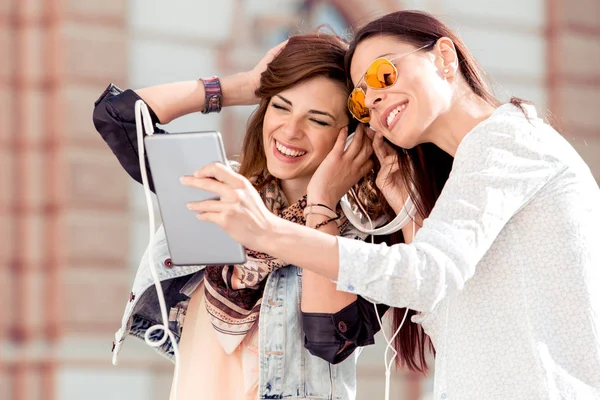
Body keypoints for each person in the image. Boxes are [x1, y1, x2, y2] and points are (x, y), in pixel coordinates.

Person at [181, 10, 600, 399]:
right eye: (361, 100)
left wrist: (267, 231)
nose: (374, 99)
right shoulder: (471, 167)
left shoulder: (508, 140)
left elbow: (426, 277)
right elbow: (452, 322)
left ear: (443, 57)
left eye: (383, 74)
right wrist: (409, 209)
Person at [93, 33, 398, 400]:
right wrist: (242, 86)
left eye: (316, 120)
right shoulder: (221, 196)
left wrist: (322, 203)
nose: (290, 130)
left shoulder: (365, 233)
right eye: (280, 107)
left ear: (350, 137)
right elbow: (119, 115)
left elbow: (330, 342)